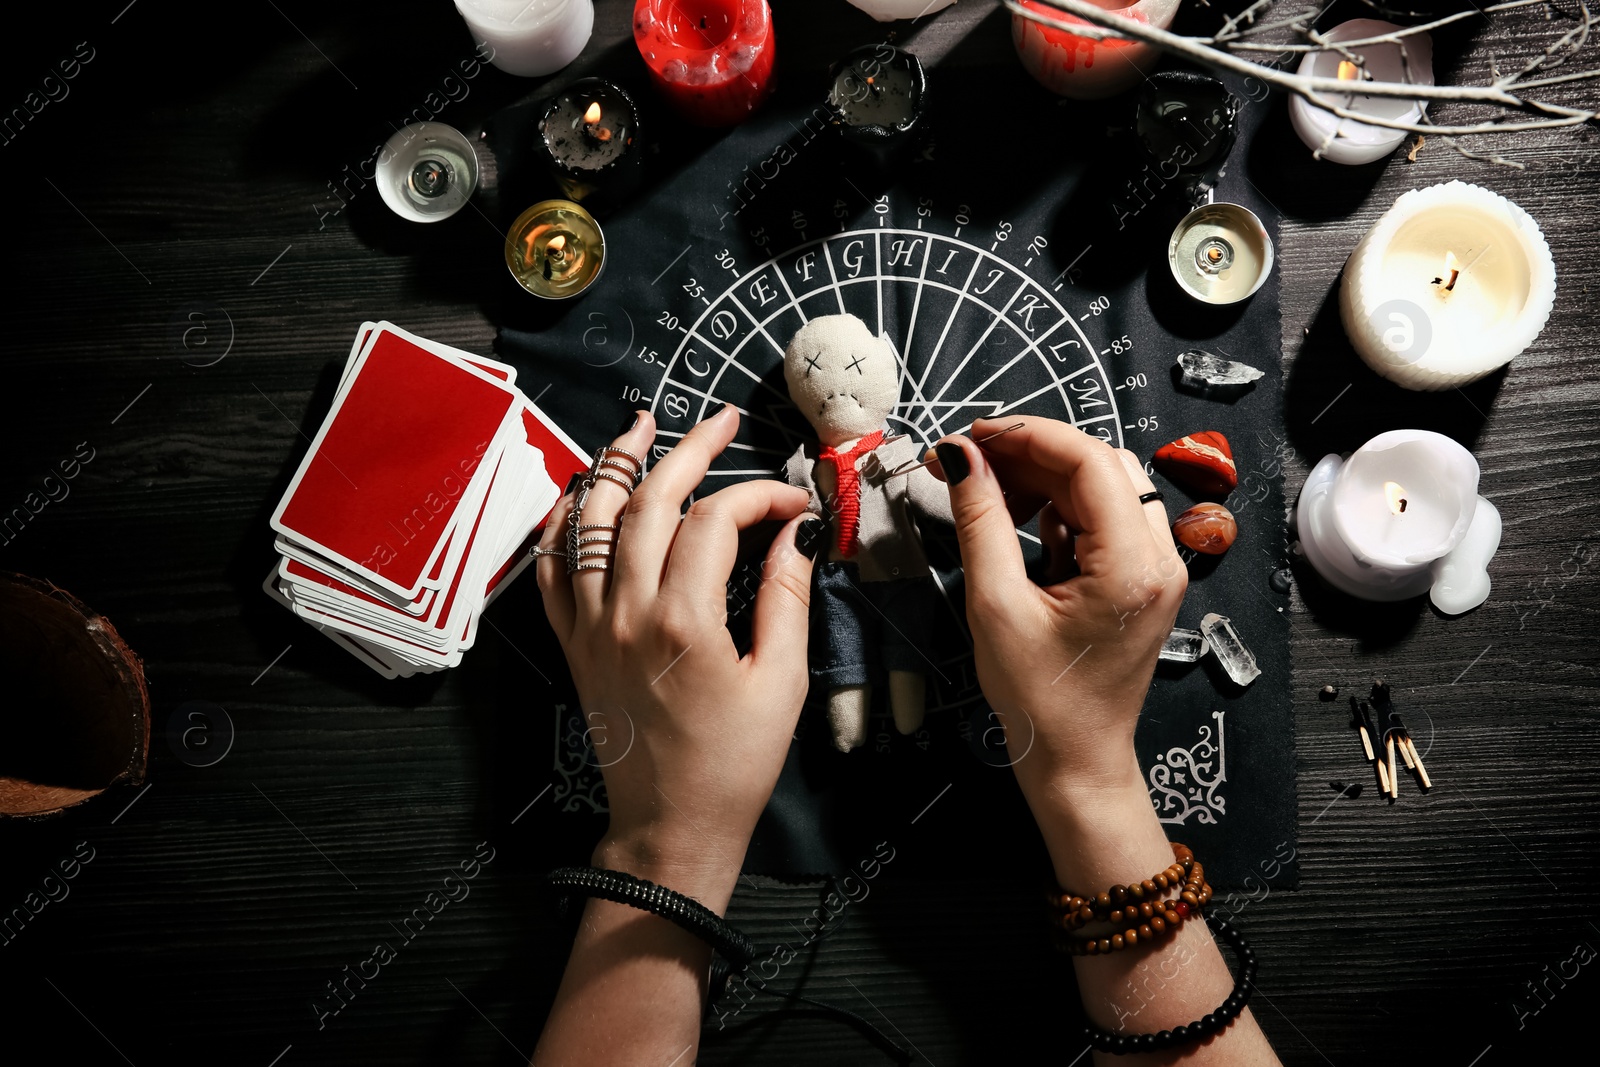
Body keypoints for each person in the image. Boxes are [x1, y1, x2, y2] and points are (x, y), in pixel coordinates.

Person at [530, 406, 1281, 1065]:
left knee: (904, 655)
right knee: (856, 656)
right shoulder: (820, 462)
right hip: (847, 584)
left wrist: (664, 846)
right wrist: (1090, 775)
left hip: (901, 584)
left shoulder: (890, 453)